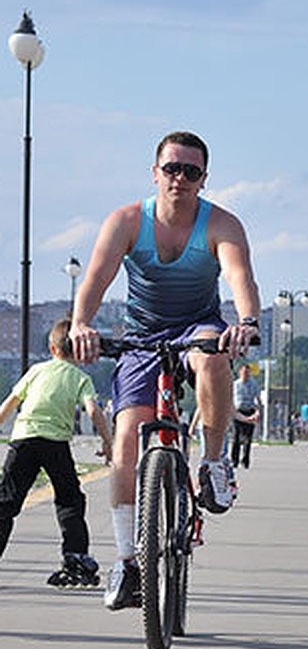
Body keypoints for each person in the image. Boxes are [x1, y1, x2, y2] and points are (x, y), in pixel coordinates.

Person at [70, 130, 261, 610]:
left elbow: (240, 277)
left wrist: (248, 322)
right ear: (155, 173)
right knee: (128, 439)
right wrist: (81, 325)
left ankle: (214, 462)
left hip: (198, 326)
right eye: (171, 169)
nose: (180, 178)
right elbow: (96, 278)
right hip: (141, 333)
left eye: (190, 171)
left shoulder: (222, 224)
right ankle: (127, 562)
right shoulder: (127, 221)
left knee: (214, 359)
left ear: (203, 179)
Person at [0, 319, 114, 585]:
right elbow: (94, 411)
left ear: (52, 348)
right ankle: (75, 556)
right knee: (69, 500)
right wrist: (108, 443)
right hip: (55, 445)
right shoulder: (80, 377)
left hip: (23, 440)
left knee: (6, 502)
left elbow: (9, 403)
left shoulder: (36, 370)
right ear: (79, 353)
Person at [231, 364, 260, 469]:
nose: (245, 375)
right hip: (238, 411)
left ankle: (245, 460)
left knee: (248, 438)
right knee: (236, 437)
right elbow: (230, 399)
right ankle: (234, 460)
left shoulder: (254, 385)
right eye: (244, 372)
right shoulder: (235, 385)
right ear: (240, 373)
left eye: (247, 373)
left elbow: (257, 400)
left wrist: (258, 412)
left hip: (249, 411)